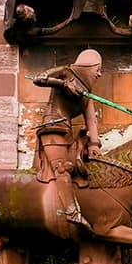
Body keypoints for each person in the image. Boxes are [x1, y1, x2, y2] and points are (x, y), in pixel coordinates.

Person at [32, 49, 103, 231]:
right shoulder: (66, 72)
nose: (100, 74)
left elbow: (91, 120)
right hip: (53, 126)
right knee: (62, 167)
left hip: (68, 132)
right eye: (98, 69)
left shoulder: (87, 95)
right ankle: (72, 214)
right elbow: (39, 78)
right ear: (90, 67)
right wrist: (63, 84)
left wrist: (94, 144)